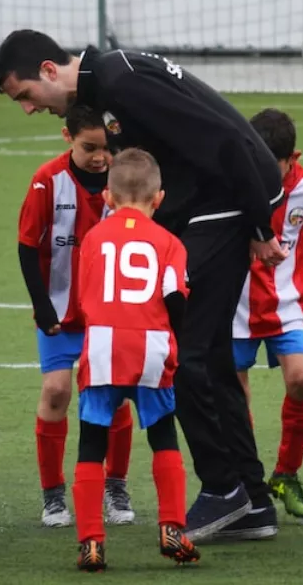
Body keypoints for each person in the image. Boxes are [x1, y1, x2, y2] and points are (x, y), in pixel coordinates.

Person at [0, 29, 286, 541]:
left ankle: (223, 489)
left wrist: (260, 225)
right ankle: (252, 501)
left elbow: (226, 138)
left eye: (25, 96)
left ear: (47, 71)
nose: (28, 109)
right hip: (217, 204)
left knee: (185, 353)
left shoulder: (120, 82)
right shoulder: (108, 83)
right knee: (211, 355)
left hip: (230, 203)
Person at [70, 148, 200, 571]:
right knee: (163, 436)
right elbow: (174, 298)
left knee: (92, 443)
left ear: (107, 198)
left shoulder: (93, 238)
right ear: (158, 199)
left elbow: (85, 298)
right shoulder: (168, 242)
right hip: (150, 347)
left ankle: (91, 541)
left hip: (104, 346)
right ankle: (172, 528)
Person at [16, 104, 136, 528]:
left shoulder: (123, 183)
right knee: (55, 392)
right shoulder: (46, 181)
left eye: (106, 148)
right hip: (59, 312)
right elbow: (27, 246)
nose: (100, 157)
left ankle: (115, 486)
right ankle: (52, 496)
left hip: (109, 312)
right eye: (90, 148)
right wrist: (42, 304)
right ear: (68, 138)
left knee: (115, 396)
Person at [233, 108, 303, 525]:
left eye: (271, 164)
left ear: (292, 157)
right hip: (237, 306)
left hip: (287, 305)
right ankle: (247, 481)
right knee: (235, 398)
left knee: (301, 380)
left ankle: (286, 474)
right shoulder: (233, 184)